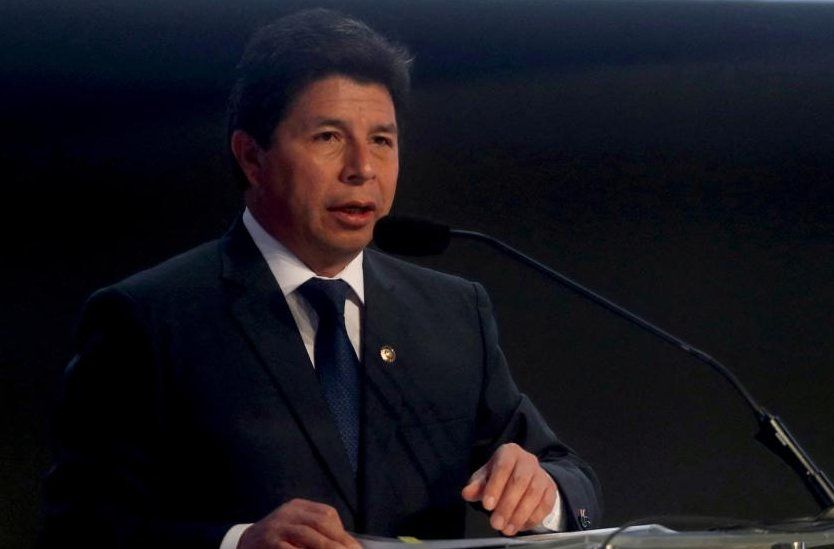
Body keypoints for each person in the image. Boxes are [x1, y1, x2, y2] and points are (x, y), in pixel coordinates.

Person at [40, 8, 601, 549]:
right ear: (251, 158)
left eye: (382, 140)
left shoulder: (452, 314)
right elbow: (79, 528)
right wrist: (238, 543)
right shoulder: (148, 319)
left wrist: (543, 492)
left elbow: (568, 476)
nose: (363, 167)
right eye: (329, 137)